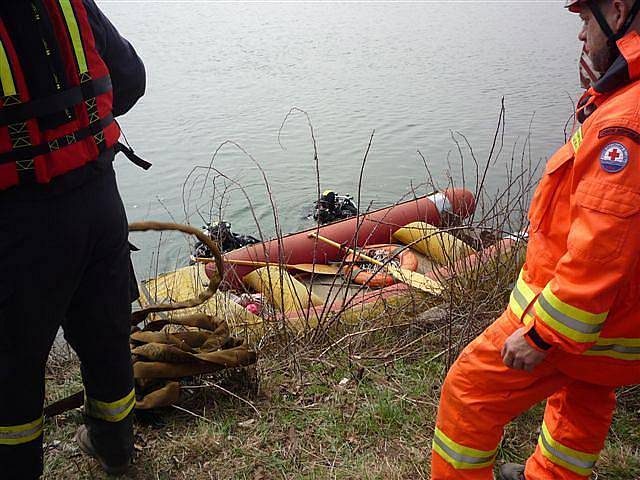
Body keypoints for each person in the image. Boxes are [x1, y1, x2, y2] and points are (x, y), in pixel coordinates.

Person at [430, 1, 640, 479]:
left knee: (470, 390)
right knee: (584, 396)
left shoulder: (625, 123)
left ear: (619, 10)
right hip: (618, 325)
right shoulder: (624, 99)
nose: (582, 37)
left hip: (576, 322)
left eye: (587, 21)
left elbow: (602, 248)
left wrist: (544, 334)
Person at [0, 1, 145, 478]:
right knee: (106, 334)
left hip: (19, 218)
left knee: (13, 368)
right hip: (98, 200)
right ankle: (115, 446)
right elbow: (129, 80)